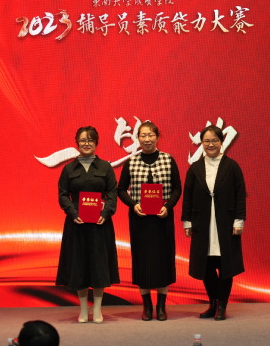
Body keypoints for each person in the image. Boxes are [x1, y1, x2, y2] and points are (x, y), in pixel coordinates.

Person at [118, 121, 182, 321]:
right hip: (140, 221)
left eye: (150, 135)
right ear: (138, 138)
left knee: (163, 261)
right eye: (143, 136)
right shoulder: (131, 161)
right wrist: (133, 204)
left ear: (157, 137)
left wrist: (168, 206)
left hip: (162, 219)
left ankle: (161, 306)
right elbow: (121, 190)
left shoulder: (168, 159)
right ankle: (146, 306)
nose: (147, 139)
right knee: (142, 261)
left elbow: (177, 188)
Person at [181, 124, 246, 321]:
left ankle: (222, 305)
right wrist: (187, 222)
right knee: (206, 266)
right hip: (202, 224)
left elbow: (240, 195)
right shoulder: (195, 168)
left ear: (221, 142)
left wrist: (239, 221)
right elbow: (187, 196)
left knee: (226, 266)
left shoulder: (232, 167)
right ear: (201, 143)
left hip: (226, 224)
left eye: (214, 140)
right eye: (207, 141)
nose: (210, 145)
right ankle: (213, 303)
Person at [55, 126, 119, 323]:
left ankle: (97, 309)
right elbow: (63, 194)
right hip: (77, 224)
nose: (86, 143)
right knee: (79, 266)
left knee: (99, 266)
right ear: (77, 143)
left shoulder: (105, 167)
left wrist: (105, 213)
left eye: (90, 140)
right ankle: (83, 309)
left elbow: (112, 193)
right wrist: (73, 213)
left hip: (100, 224)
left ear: (96, 143)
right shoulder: (69, 169)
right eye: (83, 140)